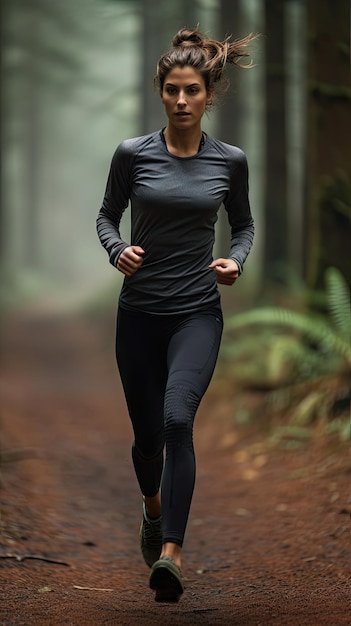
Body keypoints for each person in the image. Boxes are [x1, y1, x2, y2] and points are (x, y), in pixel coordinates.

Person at [97, 26, 256, 603]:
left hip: (196, 314)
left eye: (192, 90)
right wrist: (118, 251)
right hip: (139, 315)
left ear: (209, 93)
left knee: (176, 420)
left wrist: (235, 260)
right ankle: (152, 509)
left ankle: (171, 554)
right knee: (146, 441)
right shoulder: (132, 154)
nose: (182, 100)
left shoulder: (229, 161)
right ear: (160, 93)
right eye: (171, 90)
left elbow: (243, 224)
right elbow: (105, 217)